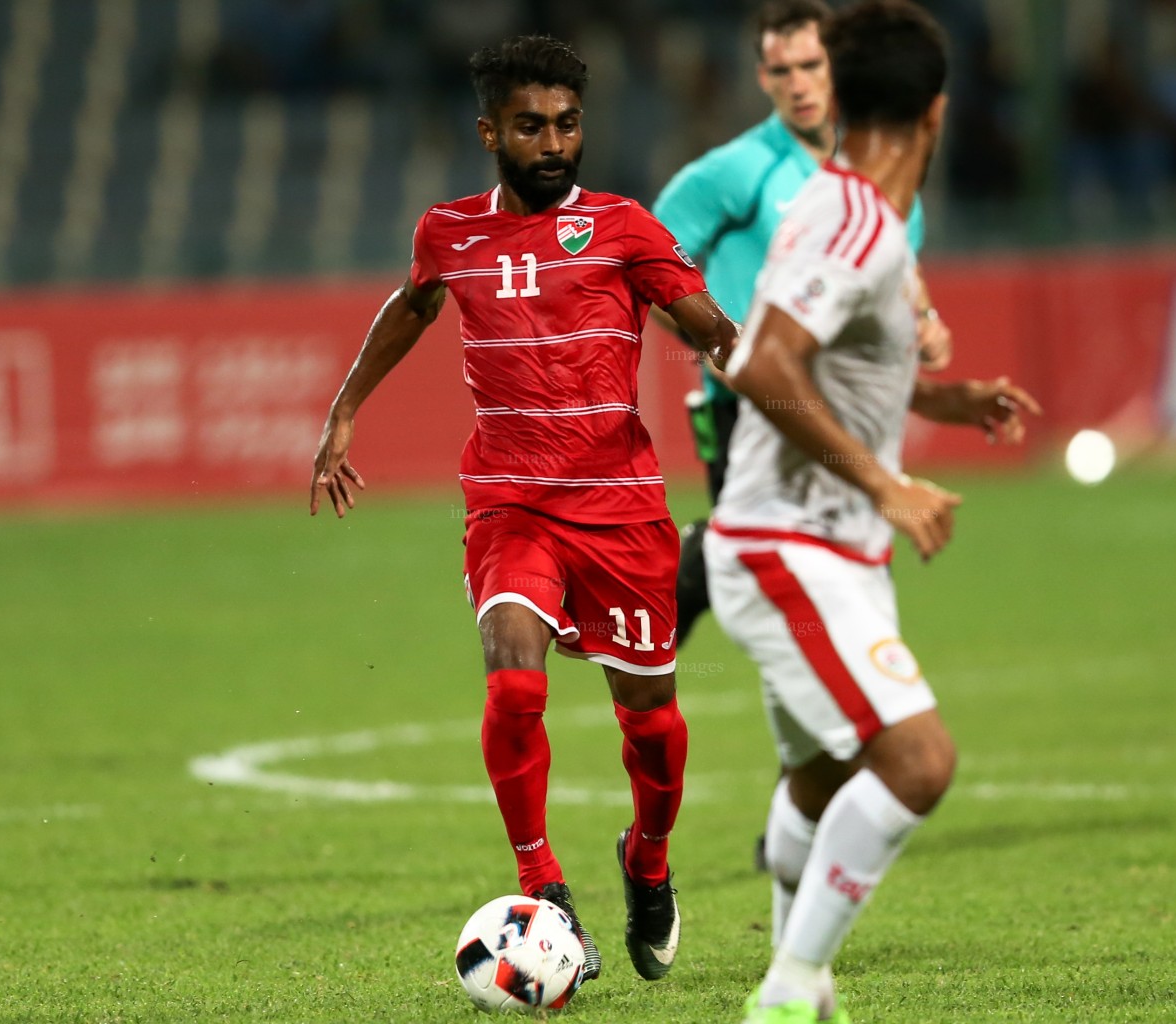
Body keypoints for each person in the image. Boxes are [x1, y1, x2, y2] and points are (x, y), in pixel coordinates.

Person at [310, 35, 739, 987]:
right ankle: (543, 885)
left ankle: (650, 860)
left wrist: (745, 366)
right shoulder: (449, 232)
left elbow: (702, 321)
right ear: (490, 132)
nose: (554, 142)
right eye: (532, 126)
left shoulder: (624, 227)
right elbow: (412, 307)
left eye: (569, 124)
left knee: (653, 722)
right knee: (512, 683)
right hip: (510, 504)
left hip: (622, 511)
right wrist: (345, 411)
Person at [702, 3, 1040, 1021]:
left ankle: (803, 983)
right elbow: (766, 364)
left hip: (828, 548)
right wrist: (887, 483)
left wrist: (948, 397)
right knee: (918, 761)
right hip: (785, 543)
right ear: (937, 113)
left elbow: (829, 366)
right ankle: (791, 988)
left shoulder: (849, 214)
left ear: (840, 96)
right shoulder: (855, 224)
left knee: (819, 774)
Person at [652, 0, 950, 649]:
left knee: (813, 561)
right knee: (777, 559)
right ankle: (668, 585)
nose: (798, 82)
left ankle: (667, 600)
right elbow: (648, 264)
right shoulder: (736, 170)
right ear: (761, 77)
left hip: (843, 401)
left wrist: (926, 322)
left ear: (836, 69)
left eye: (811, 65)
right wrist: (713, 339)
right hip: (753, 399)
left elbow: (903, 277)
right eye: (780, 70)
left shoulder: (880, 173)